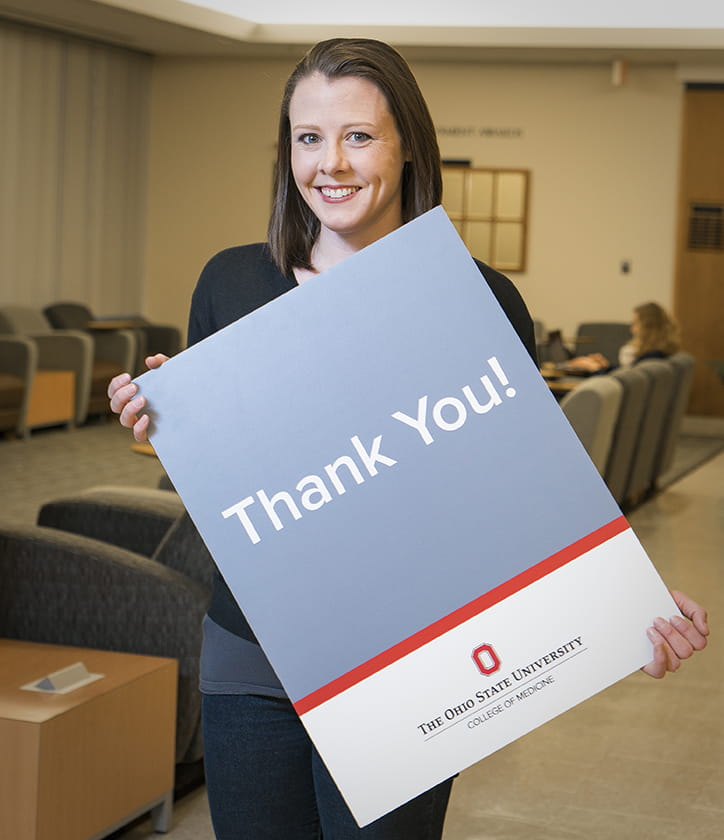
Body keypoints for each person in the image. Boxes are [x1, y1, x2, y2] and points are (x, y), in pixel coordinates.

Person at [108, 38, 708, 840]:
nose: (332, 163)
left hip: (410, 667)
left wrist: (621, 604)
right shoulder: (231, 283)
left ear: (407, 146)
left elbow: (512, 497)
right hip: (254, 656)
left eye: (359, 135)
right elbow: (235, 505)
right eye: (309, 138)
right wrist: (171, 429)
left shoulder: (477, 297)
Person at [565, 301, 681, 373]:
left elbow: (621, 383)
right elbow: (626, 374)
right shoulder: (658, 355)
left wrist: (592, 367)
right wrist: (606, 366)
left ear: (648, 328)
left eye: (635, 324)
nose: (632, 329)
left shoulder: (651, 358)